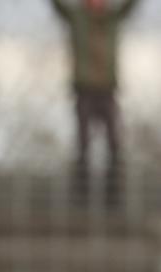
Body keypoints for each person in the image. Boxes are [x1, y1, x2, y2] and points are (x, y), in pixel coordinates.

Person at [50, 0, 141, 204]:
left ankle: (114, 195)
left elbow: (130, 6)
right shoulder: (77, 18)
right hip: (84, 90)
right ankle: (81, 195)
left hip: (108, 90)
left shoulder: (112, 18)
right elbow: (58, 7)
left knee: (115, 142)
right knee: (83, 142)